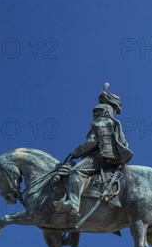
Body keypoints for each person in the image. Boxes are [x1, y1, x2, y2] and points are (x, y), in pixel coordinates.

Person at [54, 84, 133, 217]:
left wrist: (75, 152)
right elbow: (123, 142)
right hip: (111, 157)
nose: (94, 115)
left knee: (75, 171)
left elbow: (92, 141)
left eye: (96, 112)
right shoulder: (115, 124)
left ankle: (73, 203)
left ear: (103, 111)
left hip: (99, 157)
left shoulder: (101, 123)